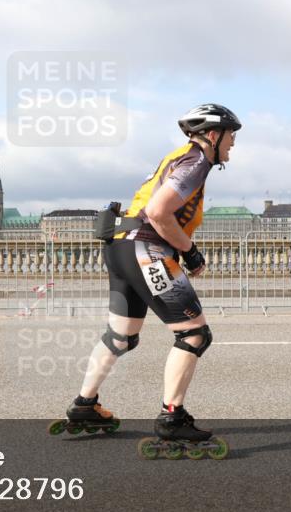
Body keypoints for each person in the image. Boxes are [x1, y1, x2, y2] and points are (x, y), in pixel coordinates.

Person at [61, 103, 241, 444]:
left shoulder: (179, 156)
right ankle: (172, 417)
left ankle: (85, 404)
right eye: (231, 135)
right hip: (147, 249)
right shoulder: (196, 162)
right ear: (213, 135)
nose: (233, 143)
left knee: (121, 337)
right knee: (194, 335)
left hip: (121, 247)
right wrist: (189, 251)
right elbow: (159, 212)